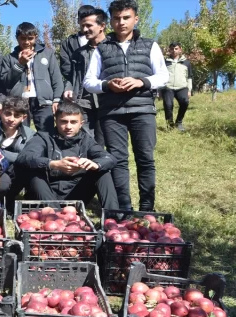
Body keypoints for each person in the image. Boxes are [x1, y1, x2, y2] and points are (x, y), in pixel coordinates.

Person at [83, 0, 169, 211]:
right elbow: (88, 81)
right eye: (116, 18)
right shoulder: (101, 49)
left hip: (143, 111)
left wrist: (142, 82)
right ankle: (124, 209)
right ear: (110, 21)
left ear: (135, 19)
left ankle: (147, 208)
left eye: (126, 17)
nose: (121, 22)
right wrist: (106, 85)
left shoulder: (150, 45)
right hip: (112, 112)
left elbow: (163, 76)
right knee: (118, 160)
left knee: (145, 159)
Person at [16, 101, 118, 209]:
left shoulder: (86, 140)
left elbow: (110, 158)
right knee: (33, 170)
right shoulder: (43, 137)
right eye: (64, 121)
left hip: (76, 194)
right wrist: (53, 164)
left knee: (102, 171)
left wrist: (95, 164)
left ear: (81, 123)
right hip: (45, 194)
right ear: (56, 121)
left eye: (73, 122)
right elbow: (24, 157)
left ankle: (112, 218)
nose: (68, 126)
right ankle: (54, 214)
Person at [0, 22, 64, 132]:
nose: (26, 42)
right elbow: (6, 82)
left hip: (43, 102)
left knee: (47, 134)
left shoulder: (47, 54)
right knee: (20, 134)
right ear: (17, 38)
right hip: (19, 102)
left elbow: (56, 78)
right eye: (22, 38)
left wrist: (56, 99)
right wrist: (19, 64)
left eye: (30, 38)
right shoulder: (9, 58)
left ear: (36, 37)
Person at [62, 7, 108, 148]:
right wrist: (68, 88)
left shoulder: (113, 48)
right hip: (83, 102)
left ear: (102, 26)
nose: (85, 29)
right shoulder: (79, 53)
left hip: (107, 102)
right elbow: (72, 75)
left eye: (89, 25)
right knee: (85, 142)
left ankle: (103, 169)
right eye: (82, 26)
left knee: (104, 142)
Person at [60, 4, 94, 89]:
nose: (86, 27)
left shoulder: (103, 40)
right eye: (82, 19)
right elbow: (66, 68)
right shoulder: (68, 43)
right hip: (78, 88)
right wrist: (76, 80)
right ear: (78, 20)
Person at [160, 42, 193, 131]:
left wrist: (189, 90)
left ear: (180, 50)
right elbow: (160, 75)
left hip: (182, 87)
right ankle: (170, 125)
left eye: (176, 49)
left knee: (185, 102)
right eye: (172, 49)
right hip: (168, 87)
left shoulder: (186, 62)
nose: (174, 51)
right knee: (168, 105)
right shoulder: (165, 62)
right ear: (169, 50)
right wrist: (159, 90)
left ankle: (179, 122)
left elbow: (189, 77)